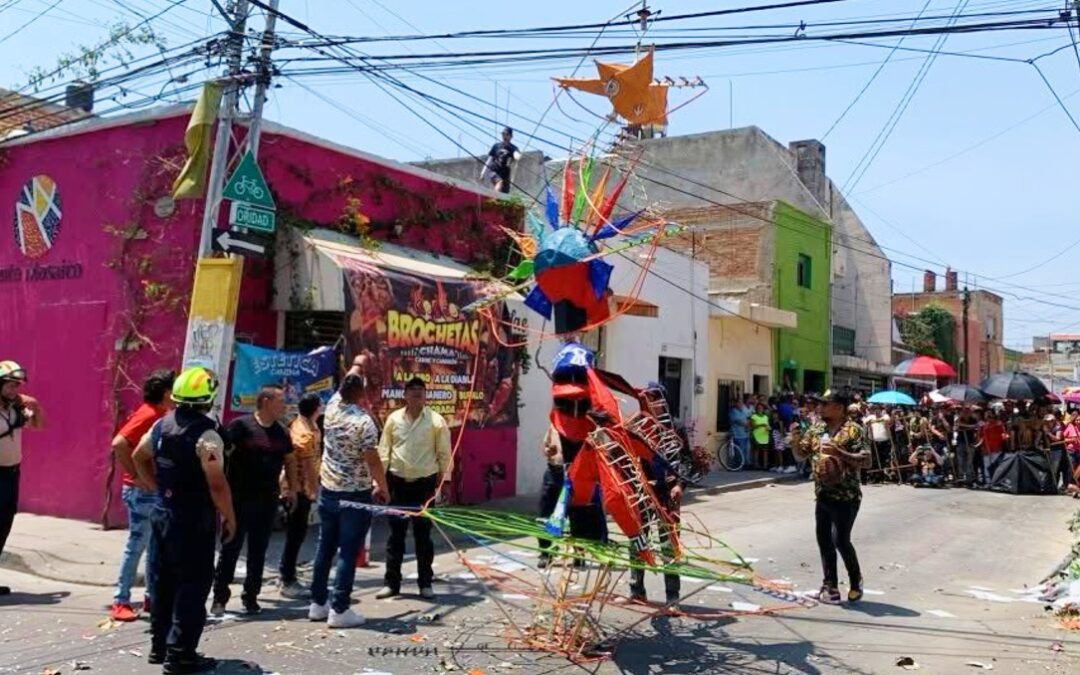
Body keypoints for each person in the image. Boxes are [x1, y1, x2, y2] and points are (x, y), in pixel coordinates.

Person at [132, 366, 235, 674]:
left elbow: (138, 455)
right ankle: (181, 657)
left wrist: (154, 486)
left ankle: (159, 647)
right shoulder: (207, 435)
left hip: (163, 514)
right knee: (192, 584)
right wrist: (229, 517)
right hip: (192, 519)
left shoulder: (161, 425)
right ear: (209, 399)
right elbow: (216, 484)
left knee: (163, 581)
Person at [308, 374, 389, 628]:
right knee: (348, 551)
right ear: (361, 393)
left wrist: (358, 365)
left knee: (325, 548)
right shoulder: (363, 422)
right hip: (354, 495)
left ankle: (318, 604)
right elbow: (372, 459)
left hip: (329, 491)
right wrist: (383, 486)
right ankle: (340, 609)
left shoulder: (331, 407)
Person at [212, 384, 296, 616]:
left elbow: (290, 460)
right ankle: (219, 598)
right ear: (266, 401)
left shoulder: (281, 432)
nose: (284, 406)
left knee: (259, 551)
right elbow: (222, 453)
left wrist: (291, 488)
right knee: (231, 548)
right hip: (238, 499)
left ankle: (251, 597)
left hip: (267, 501)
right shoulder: (241, 426)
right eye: (280, 401)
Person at [790, 391, 871, 605]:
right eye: (820, 404)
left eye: (825, 405)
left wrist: (840, 453)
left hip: (846, 496)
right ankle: (830, 586)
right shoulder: (817, 429)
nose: (820, 408)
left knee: (841, 540)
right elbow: (801, 454)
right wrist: (795, 439)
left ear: (839, 407)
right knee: (824, 540)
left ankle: (856, 581)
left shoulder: (854, 430)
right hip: (822, 494)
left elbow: (867, 460)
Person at [374, 377, 452, 600]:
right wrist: (379, 484)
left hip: (424, 486)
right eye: (413, 390)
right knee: (395, 536)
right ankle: (391, 583)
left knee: (423, 536)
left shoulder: (436, 421)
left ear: (426, 395)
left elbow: (444, 453)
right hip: (397, 484)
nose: (417, 393)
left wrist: (445, 482)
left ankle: (425, 583)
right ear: (405, 395)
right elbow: (383, 452)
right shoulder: (393, 419)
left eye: (421, 390)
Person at [109, 369, 176, 622]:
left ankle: (151, 597)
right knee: (138, 545)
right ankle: (121, 600)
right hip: (142, 492)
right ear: (167, 393)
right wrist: (137, 476)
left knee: (153, 546)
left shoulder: (159, 414)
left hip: (148, 489)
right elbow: (119, 443)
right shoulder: (150, 414)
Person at [0, 361, 43, 597]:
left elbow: (39, 426)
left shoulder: (14, 409)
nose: (14, 390)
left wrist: (35, 406)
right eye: (9, 386)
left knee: (4, 525)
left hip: (11, 474)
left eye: (17, 386)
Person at [278, 393, 323, 599]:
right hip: (299, 490)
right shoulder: (304, 434)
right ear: (316, 408)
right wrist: (314, 491)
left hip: (298, 488)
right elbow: (308, 468)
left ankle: (287, 574)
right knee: (296, 535)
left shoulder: (304, 425)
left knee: (296, 534)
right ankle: (287, 579)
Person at [536, 423, 564, 569]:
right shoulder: (553, 426)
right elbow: (545, 446)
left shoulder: (585, 425)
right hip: (553, 471)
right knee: (544, 514)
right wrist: (548, 450)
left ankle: (579, 553)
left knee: (574, 514)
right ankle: (546, 553)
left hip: (573, 473)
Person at [480, 126, 520, 193]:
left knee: (505, 193)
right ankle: (494, 198)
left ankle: (497, 201)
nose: (504, 136)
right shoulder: (496, 146)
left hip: (505, 174)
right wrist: (483, 173)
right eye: (503, 134)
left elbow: (516, 160)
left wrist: (517, 155)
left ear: (511, 136)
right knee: (499, 182)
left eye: (507, 134)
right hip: (494, 171)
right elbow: (489, 160)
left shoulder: (513, 148)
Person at [862, 406, 892, 484]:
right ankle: (875, 477)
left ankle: (882, 477)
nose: (876, 412)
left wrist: (877, 420)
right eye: (875, 410)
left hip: (884, 441)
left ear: (881, 411)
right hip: (874, 441)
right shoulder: (871, 417)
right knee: (874, 459)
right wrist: (872, 421)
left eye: (878, 410)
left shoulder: (885, 416)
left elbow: (887, 420)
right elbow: (865, 422)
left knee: (883, 459)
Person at [977, 409, 1008, 482]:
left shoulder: (999, 424)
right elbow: (980, 438)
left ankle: (997, 481)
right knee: (987, 466)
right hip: (987, 449)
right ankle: (988, 482)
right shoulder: (983, 426)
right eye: (986, 415)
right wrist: (982, 448)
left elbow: (1004, 436)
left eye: (990, 415)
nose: (988, 417)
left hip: (997, 449)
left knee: (997, 467)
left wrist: (1002, 445)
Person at [953, 406, 980, 487]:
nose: (966, 413)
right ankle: (960, 478)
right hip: (961, 442)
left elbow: (976, 426)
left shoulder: (973, 419)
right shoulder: (959, 419)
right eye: (964, 411)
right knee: (961, 461)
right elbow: (955, 427)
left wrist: (966, 426)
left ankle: (969, 479)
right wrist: (966, 426)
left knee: (969, 462)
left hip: (970, 442)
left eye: (968, 411)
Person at [728, 398, 750, 470]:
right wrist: (747, 425)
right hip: (737, 434)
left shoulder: (743, 411)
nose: (741, 404)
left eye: (741, 403)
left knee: (744, 450)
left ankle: (744, 464)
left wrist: (748, 424)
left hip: (745, 434)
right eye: (739, 403)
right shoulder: (733, 412)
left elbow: (748, 419)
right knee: (738, 451)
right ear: (736, 404)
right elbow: (739, 421)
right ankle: (738, 465)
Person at [749, 402, 771, 470]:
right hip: (756, 435)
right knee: (756, 450)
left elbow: (767, 425)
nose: (760, 409)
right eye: (758, 408)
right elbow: (752, 425)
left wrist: (768, 428)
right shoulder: (753, 416)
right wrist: (761, 425)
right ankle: (756, 465)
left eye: (761, 408)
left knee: (765, 451)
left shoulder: (766, 417)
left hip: (765, 435)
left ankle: (765, 465)